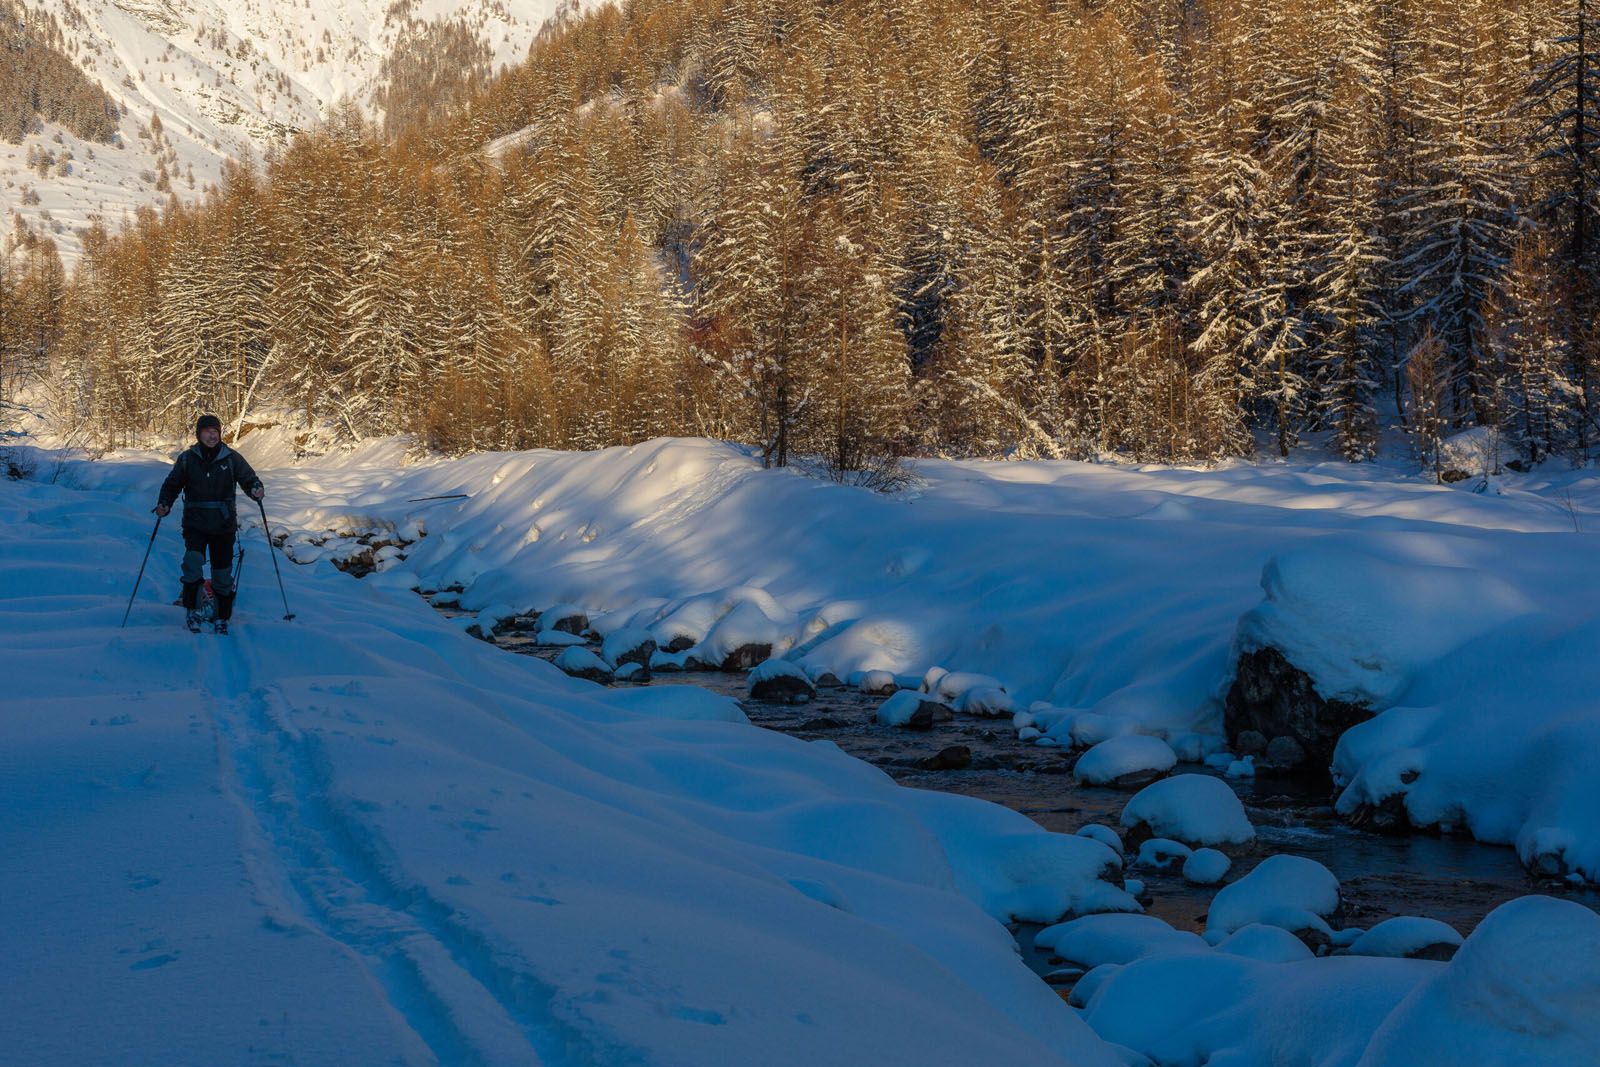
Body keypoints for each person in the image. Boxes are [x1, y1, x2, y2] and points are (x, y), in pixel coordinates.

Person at [155, 414, 264, 633]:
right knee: (192, 566)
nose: (212, 435)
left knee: (222, 573)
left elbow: (248, 478)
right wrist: (164, 504)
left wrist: (256, 489)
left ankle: (221, 616)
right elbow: (172, 485)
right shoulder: (187, 459)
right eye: (207, 431)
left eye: (216, 431)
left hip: (223, 526)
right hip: (195, 524)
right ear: (199, 434)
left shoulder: (231, 458)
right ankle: (192, 611)